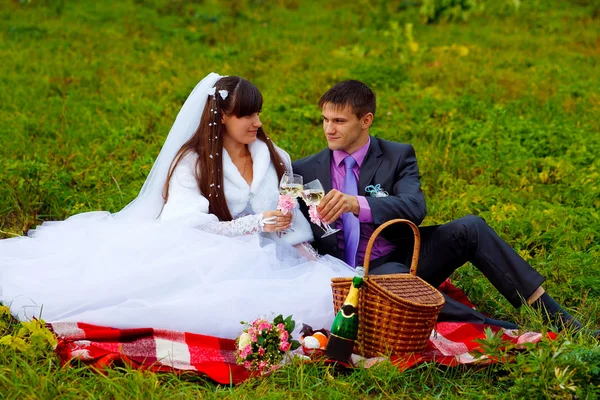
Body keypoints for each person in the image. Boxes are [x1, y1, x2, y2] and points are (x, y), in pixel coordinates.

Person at [0, 73, 354, 339]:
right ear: (222, 117)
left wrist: (315, 256)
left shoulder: (277, 157)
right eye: (247, 115)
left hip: (274, 252)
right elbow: (187, 226)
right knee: (196, 300)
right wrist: (255, 224)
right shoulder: (194, 163)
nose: (257, 123)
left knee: (321, 291)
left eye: (258, 113)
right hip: (212, 250)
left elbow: (290, 212)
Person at [293, 79, 598, 336]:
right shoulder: (305, 169)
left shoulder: (396, 155)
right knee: (404, 287)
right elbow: (293, 225)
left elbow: (414, 207)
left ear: (366, 120)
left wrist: (357, 204)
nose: (329, 129)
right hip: (352, 274)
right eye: (325, 119)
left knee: (471, 227)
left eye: (339, 121)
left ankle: (557, 318)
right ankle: (505, 331)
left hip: (398, 254)